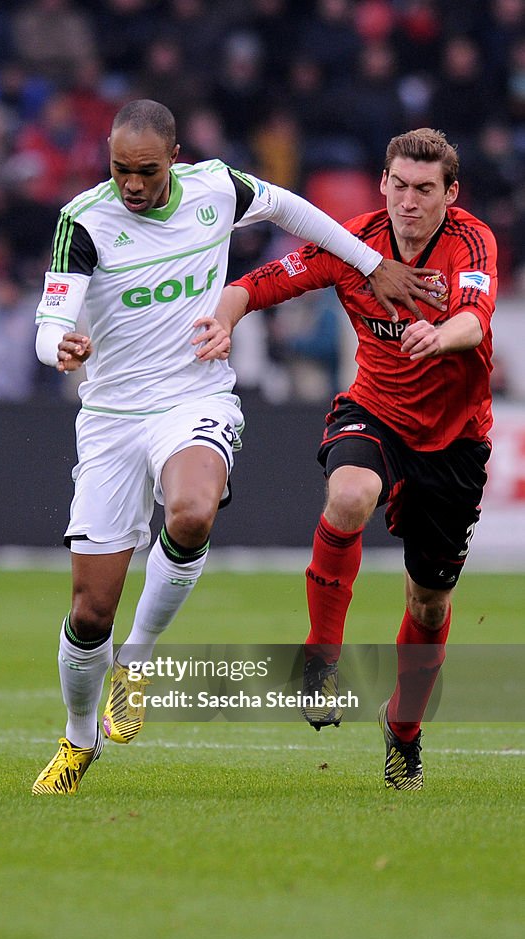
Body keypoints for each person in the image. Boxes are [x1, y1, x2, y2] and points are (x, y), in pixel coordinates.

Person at [30, 100, 445, 796]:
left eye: (145, 171)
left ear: (174, 158)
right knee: (87, 610)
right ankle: (78, 740)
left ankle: (135, 661)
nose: (131, 185)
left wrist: (371, 263)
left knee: (191, 512)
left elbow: (294, 210)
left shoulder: (215, 188)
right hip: (108, 417)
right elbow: (49, 320)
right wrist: (59, 348)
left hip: (194, 399)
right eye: (120, 170)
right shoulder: (85, 220)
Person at [207, 128, 497, 790]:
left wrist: (438, 331)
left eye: (424, 190)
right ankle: (320, 660)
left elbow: (475, 320)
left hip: (454, 441)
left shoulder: (471, 242)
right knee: (348, 496)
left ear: (449, 194)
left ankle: (403, 731)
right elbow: (255, 285)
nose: (408, 201)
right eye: (398, 186)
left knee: (427, 604)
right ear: (382, 185)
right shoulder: (351, 242)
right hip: (374, 413)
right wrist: (223, 318)